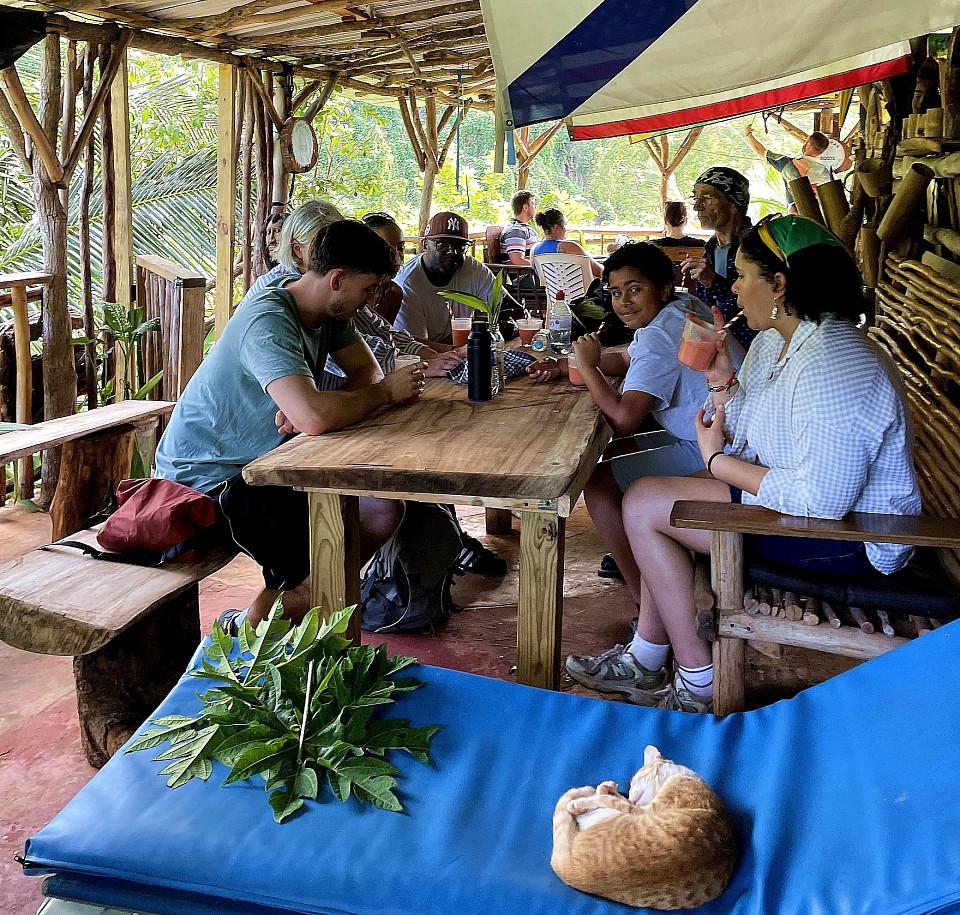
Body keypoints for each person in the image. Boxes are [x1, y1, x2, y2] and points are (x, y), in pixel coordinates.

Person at [566, 216, 921, 715]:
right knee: (653, 493)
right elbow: (751, 428)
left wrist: (716, 463)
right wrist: (721, 382)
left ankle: (696, 682)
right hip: (802, 509)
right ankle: (648, 659)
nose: (731, 286)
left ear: (779, 284)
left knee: (646, 505)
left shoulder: (837, 363)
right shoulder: (779, 341)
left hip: (851, 539)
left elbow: (822, 503)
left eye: (741, 275)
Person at [155, 220, 422, 631]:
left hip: (270, 462)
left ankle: (265, 616)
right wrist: (374, 398)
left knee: (382, 507)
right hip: (214, 479)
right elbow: (321, 414)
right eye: (368, 289)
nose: (370, 301)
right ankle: (256, 628)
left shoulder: (327, 312)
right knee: (328, 564)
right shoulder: (268, 320)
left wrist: (319, 408)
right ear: (337, 279)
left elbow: (364, 373)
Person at [527, 242, 742, 584]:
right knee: (606, 455)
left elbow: (624, 420)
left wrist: (588, 367)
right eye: (614, 292)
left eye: (635, 289)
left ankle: (643, 592)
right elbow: (630, 357)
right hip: (715, 435)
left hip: (720, 450)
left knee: (597, 483)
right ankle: (644, 554)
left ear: (663, 288)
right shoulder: (681, 307)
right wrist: (567, 364)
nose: (623, 302)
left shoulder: (660, 332)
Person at [251, 202, 460, 383]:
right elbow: (344, 358)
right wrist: (423, 364)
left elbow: (379, 333)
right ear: (297, 249)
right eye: (322, 242)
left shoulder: (334, 285)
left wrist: (440, 355)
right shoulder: (281, 292)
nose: (336, 249)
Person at [394, 210, 517, 344]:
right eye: (442, 244)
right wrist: (475, 330)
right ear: (424, 244)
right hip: (430, 360)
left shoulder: (472, 268)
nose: (452, 251)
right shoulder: (407, 283)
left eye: (460, 246)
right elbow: (417, 348)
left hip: (464, 352)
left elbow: (511, 308)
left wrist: (505, 324)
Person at [681, 167, 756, 350]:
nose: (697, 206)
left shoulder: (756, 249)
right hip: (719, 348)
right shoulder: (711, 249)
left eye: (707, 198)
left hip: (752, 349)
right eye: (696, 198)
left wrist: (713, 282)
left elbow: (760, 305)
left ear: (732, 204)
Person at [744, 124, 831, 211]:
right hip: (824, 217)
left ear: (808, 145)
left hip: (796, 214)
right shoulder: (827, 174)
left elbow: (760, 151)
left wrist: (749, 134)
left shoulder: (788, 164)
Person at [532, 208, 602, 277]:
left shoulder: (534, 250)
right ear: (557, 227)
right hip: (580, 288)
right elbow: (598, 271)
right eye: (564, 225)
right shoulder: (569, 247)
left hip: (551, 288)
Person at [499, 190, 539, 267]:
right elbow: (518, 261)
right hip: (522, 275)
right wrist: (542, 267)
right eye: (533, 204)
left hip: (533, 272)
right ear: (525, 207)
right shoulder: (515, 231)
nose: (535, 207)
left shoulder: (527, 228)